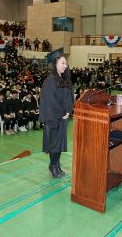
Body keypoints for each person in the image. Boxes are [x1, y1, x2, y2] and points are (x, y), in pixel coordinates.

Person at [39, 50, 74, 179]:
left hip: (62, 118)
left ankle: (56, 164)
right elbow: (50, 101)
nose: (65, 65)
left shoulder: (64, 79)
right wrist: (62, 113)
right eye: (63, 63)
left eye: (66, 63)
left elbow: (70, 97)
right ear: (55, 63)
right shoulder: (50, 81)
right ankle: (53, 166)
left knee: (59, 144)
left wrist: (68, 111)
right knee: (53, 144)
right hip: (53, 118)